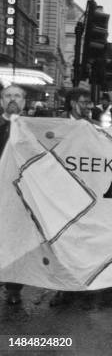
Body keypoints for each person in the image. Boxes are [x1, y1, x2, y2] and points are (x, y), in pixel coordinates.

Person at [0, 84, 27, 305]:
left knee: (17, 240)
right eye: (8, 95)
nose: (12, 99)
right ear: (1, 101)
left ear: (24, 102)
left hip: (20, 194)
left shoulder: (31, 128)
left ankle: (13, 288)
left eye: (17, 96)